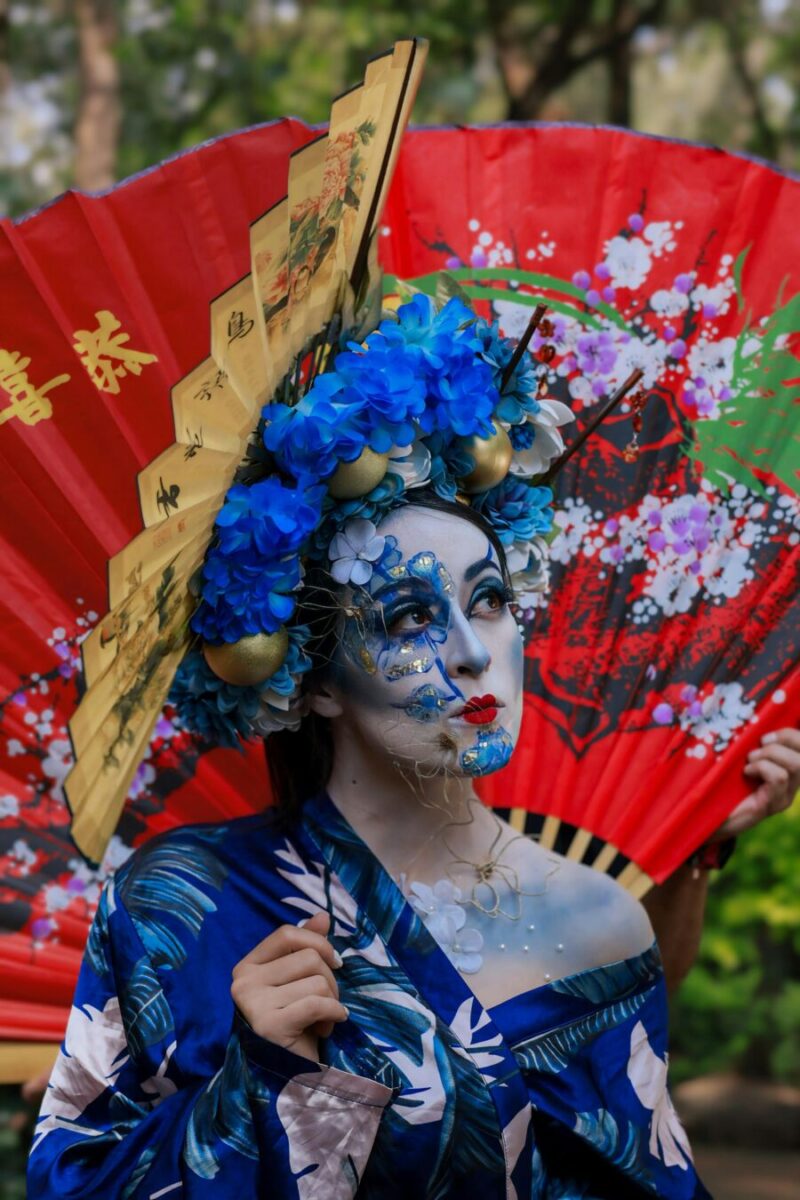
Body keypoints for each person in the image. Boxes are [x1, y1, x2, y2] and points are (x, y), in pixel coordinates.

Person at [24, 281, 798, 1199]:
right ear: (308, 681)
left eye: (490, 601)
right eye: (407, 618)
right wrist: (255, 1080)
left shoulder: (604, 921)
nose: (473, 654)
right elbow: (73, 1179)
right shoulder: (176, 902)